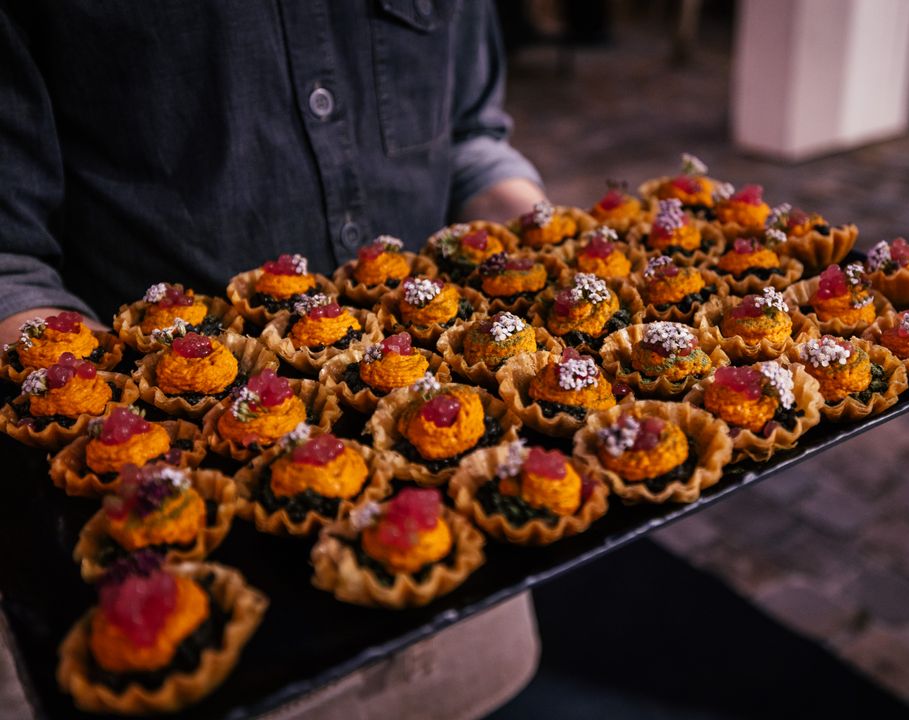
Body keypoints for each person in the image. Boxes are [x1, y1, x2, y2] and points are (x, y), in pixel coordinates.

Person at [0, 1, 544, 717]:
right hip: (198, 595)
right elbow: (9, 256)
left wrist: (538, 250)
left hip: (467, 569)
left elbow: (471, 135)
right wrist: (100, 419)